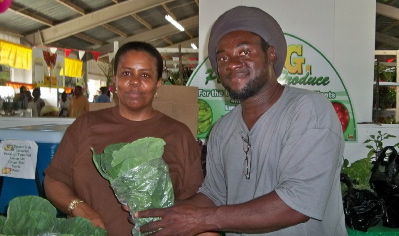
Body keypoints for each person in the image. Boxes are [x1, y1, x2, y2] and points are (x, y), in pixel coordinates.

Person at [136, 6, 346, 236]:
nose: (232, 63)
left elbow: (297, 203)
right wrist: (162, 215)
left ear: (271, 55)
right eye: (223, 57)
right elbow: (213, 195)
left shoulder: (308, 110)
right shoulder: (223, 129)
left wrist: (200, 219)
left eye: (244, 52)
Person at [43, 41, 204, 236]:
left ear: (158, 83)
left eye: (145, 75)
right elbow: (54, 180)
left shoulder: (179, 135)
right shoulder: (86, 125)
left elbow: (195, 202)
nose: (135, 82)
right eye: (126, 73)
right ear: (115, 80)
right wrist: (80, 208)